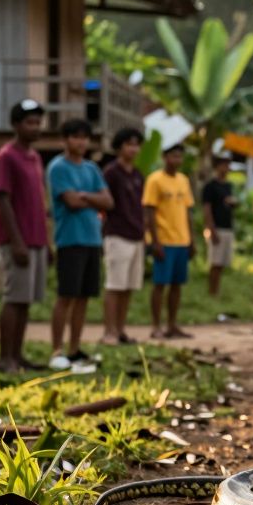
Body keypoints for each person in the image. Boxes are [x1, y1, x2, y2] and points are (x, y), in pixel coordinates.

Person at [46, 119, 113, 370]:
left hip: (92, 239)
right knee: (66, 295)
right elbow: (71, 202)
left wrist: (84, 196)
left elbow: (108, 202)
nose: (81, 142)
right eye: (75, 137)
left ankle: (74, 350)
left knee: (84, 297)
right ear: (65, 139)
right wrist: (91, 199)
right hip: (69, 240)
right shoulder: (58, 168)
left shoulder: (92, 169)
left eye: (85, 137)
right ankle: (56, 350)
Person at [0, 100, 51, 373]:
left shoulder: (35, 157)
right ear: (16, 125)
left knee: (26, 300)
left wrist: (47, 241)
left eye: (38, 122)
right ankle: (5, 358)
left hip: (37, 238)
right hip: (18, 240)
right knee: (14, 297)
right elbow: (3, 199)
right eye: (30, 122)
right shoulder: (6, 156)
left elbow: (38, 200)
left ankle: (18, 354)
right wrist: (16, 241)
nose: (36, 127)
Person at [143, 145, 196, 339]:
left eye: (180, 157)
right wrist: (154, 241)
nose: (177, 160)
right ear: (165, 157)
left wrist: (192, 239)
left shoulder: (184, 180)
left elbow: (188, 211)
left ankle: (172, 325)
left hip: (182, 239)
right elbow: (149, 211)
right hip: (163, 240)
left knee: (177, 285)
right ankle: (156, 325)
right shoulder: (154, 180)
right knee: (160, 284)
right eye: (174, 156)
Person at [101, 128, 145, 346]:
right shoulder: (111, 172)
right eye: (129, 144)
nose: (133, 149)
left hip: (136, 235)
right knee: (114, 285)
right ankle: (109, 331)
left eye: (136, 144)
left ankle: (120, 329)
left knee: (128, 287)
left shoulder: (137, 175)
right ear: (119, 147)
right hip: (117, 234)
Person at [202, 154, 236, 297]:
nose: (226, 168)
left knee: (221, 264)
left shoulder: (228, 186)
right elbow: (207, 208)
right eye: (224, 165)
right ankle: (211, 292)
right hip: (217, 228)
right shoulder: (210, 186)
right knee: (215, 263)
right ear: (217, 167)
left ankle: (216, 291)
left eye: (228, 165)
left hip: (227, 227)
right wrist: (211, 228)